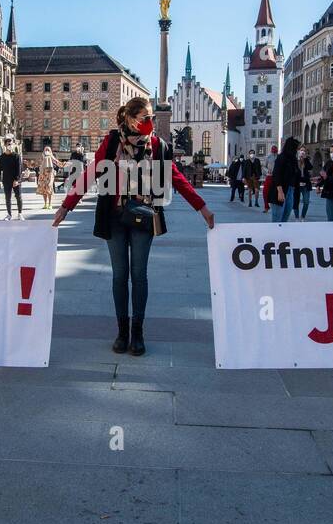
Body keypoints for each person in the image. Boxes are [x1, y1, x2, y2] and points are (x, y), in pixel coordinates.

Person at [52, 96, 214, 357]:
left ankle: (137, 333)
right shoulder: (112, 141)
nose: (149, 123)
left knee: (139, 275)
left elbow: (177, 177)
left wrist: (201, 207)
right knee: (119, 275)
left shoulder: (158, 145)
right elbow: (90, 173)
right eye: (145, 118)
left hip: (142, 216)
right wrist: (66, 206)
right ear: (129, 118)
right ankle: (122, 331)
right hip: (114, 217)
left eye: (151, 118)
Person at [0, 136, 24, 220]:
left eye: (11, 144)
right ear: (5, 145)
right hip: (6, 179)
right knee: (7, 197)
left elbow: (19, 169)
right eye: (8, 144)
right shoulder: (1, 158)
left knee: (18, 196)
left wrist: (17, 179)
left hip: (16, 179)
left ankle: (20, 213)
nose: (10, 145)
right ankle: (9, 214)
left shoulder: (17, 156)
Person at [296, 148, 314, 221]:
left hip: (306, 184)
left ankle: (303, 217)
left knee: (306, 202)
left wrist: (305, 159)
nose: (302, 152)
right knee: (296, 202)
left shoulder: (306, 160)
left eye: (304, 151)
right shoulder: (295, 160)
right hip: (297, 184)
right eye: (301, 150)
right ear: (298, 151)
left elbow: (310, 167)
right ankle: (297, 217)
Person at [262, 144, 279, 213]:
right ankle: (266, 206)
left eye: (275, 149)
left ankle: (277, 207)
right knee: (265, 191)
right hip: (269, 176)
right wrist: (267, 171)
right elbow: (263, 166)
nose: (274, 151)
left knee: (277, 192)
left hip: (277, 177)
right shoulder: (268, 157)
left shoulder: (279, 157)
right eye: (273, 149)